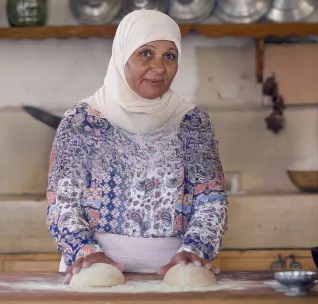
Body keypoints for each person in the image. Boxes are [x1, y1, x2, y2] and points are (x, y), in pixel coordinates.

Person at [46, 9, 228, 284]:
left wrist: (194, 250)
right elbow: (62, 201)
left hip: (176, 270)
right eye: (145, 53)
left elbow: (211, 199)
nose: (159, 67)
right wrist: (85, 252)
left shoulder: (192, 122)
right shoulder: (83, 121)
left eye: (170, 56)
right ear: (122, 57)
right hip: (93, 269)